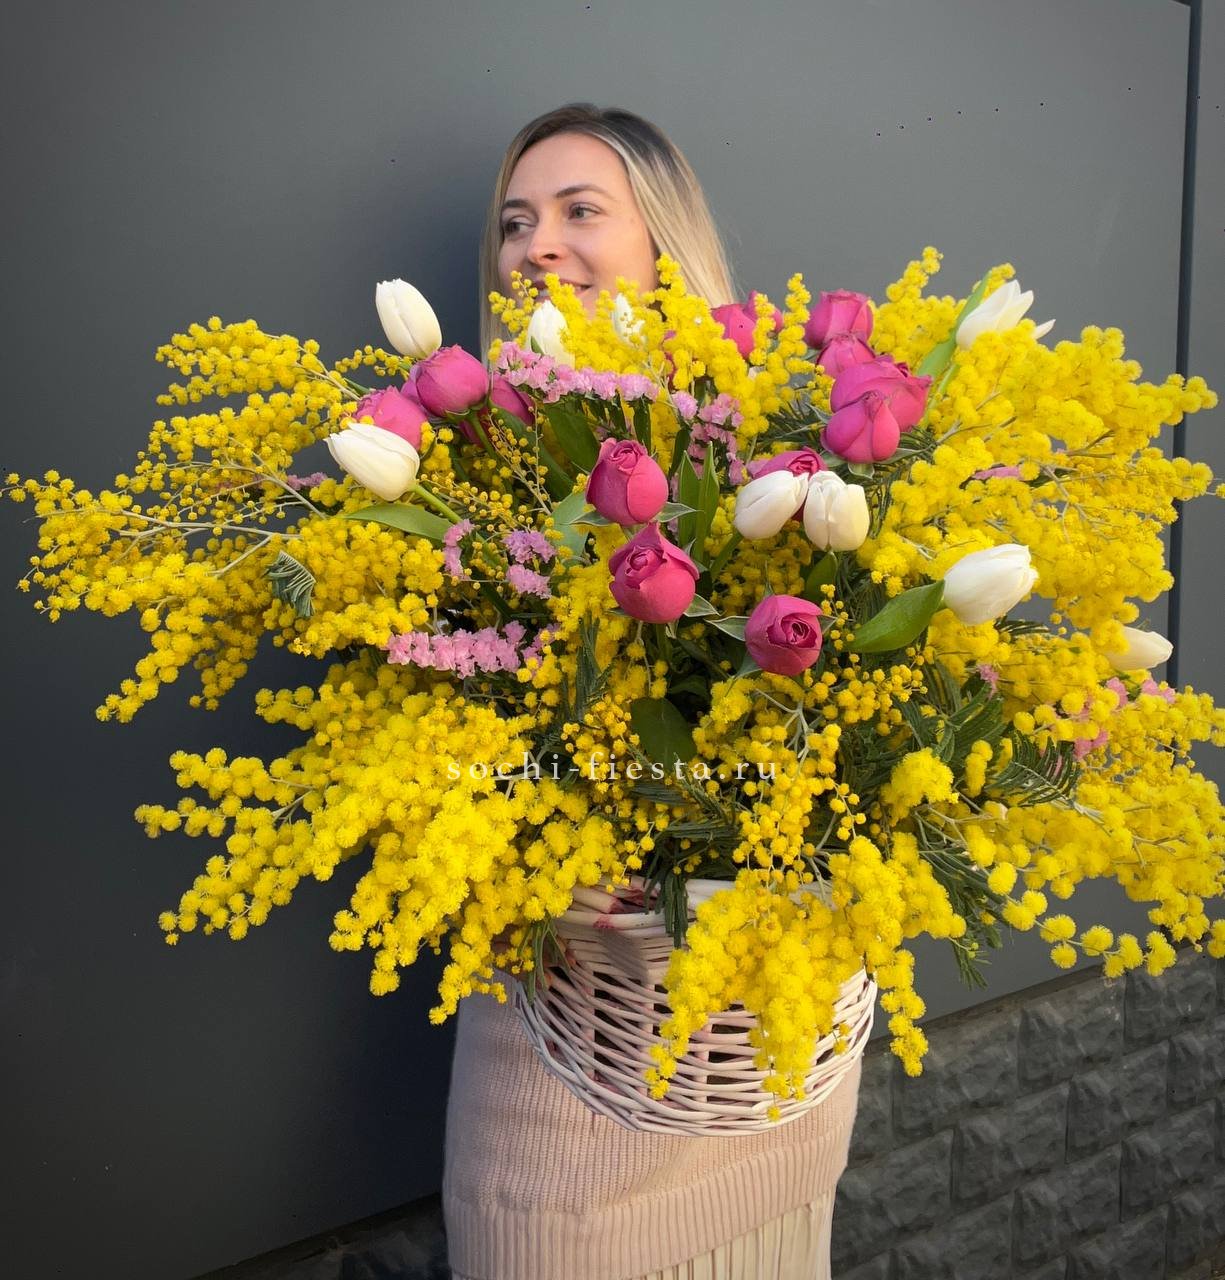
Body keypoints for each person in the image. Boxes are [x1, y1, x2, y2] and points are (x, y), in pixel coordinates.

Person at [445, 103, 862, 1280]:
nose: (536, 243)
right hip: (563, 1060)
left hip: (764, 1063)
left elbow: (851, 730)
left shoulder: (768, 439)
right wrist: (525, 843)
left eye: (579, 210)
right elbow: (422, 743)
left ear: (661, 242)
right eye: (515, 222)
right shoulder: (461, 469)